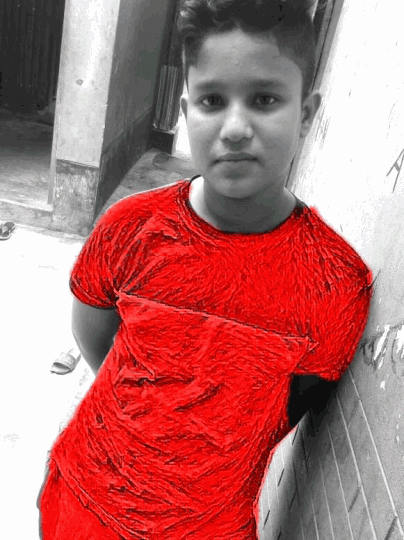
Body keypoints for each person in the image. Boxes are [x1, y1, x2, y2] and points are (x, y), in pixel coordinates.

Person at [37, 0, 373, 538]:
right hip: (84, 504)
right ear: (185, 110)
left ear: (307, 114)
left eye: (265, 99)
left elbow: (282, 414)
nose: (235, 128)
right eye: (212, 100)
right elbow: (95, 337)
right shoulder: (130, 228)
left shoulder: (335, 283)